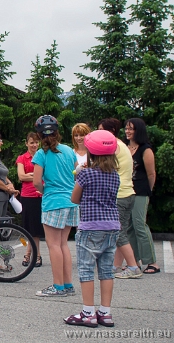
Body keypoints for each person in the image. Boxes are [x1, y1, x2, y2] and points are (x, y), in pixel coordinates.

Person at [65, 130, 120, 328]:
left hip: (90, 227)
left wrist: (80, 173)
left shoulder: (86, 174)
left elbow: (74, 198)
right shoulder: (115, 175)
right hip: (112, 226)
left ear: (91, 153)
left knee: (87, 270)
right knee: (106, 270)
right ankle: (105, 313)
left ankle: (88, 312)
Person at [32, 115, 78, 297]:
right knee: (63, 244)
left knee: (53, 246)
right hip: (71, 201)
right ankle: (68, 284)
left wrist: (45, 190)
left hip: (53, 202)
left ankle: (58, 286)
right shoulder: (68, 150)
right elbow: (77, 175)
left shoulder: (41, 154)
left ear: (39, 135)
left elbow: (36, 182)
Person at [98, 118, 143, 279]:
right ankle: (116, 266)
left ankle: (133, 267)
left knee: (118, 232)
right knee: (120, 230)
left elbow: (105, 167)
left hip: (120, 195)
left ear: (110, 132)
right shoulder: (120, 145)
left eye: (101, 130)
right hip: (127, 193)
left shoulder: (113, 146)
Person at [124, 118, 159, 274]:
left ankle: (152, 262)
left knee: (139, 225)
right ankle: (134, 261)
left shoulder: (146, 149)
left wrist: (148, 190)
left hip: (141, 191)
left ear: (139, 130)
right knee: (129, 227)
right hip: (126, 191)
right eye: (126, 128)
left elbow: (151, 173)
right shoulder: (124, 148)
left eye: (131, 128)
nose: (128, 131)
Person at [16, 132, 43, 268]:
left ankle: (34, 255)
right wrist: (37, 175)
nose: (34, 145)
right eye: (32, 142)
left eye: (36, 142)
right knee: (28, 226)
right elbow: (21, 176)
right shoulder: (22, 158)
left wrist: (31, 175)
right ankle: (33, 255)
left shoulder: (43, 156)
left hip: (42, 194)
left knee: (37, 227)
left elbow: (48, 175)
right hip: (28, 195)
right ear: (26, 143)